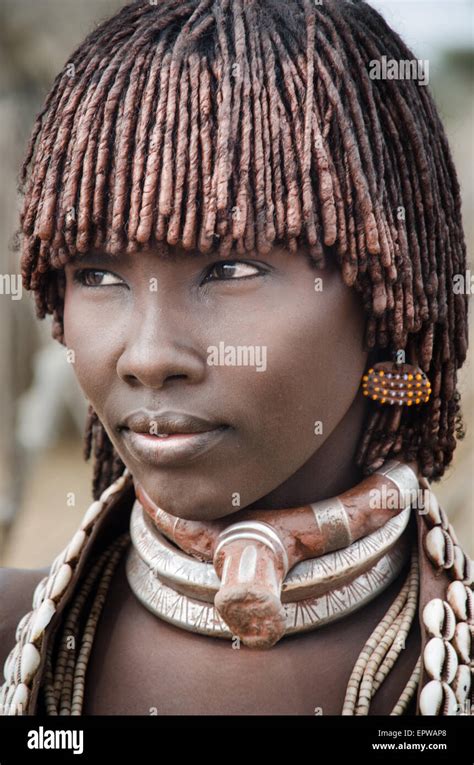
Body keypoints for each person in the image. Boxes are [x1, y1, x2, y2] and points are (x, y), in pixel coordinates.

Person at [0, 0, 471, 716]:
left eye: (230, 269)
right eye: (96, 274)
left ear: (388, 290)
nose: (149, 356)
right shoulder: (13, 635)